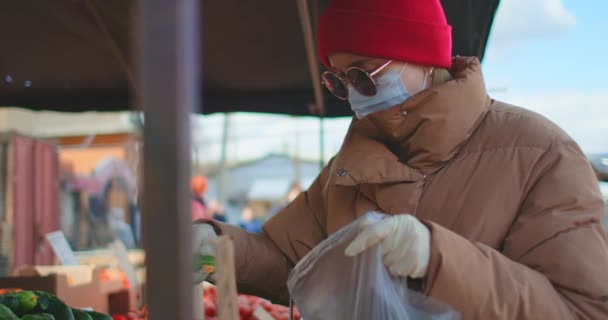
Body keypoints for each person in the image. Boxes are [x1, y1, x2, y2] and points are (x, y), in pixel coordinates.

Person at [192, 0, 608, 318]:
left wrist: (438, 258)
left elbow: (582, 308)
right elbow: (294, 262)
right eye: (339, 81)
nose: (353, 94)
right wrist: (222, 247)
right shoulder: (350, 164)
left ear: (424, 57)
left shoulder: (543, 155)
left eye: (363, 74)